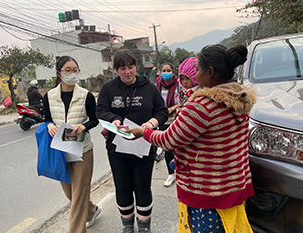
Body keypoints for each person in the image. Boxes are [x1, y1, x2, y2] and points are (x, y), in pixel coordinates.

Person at [127, 44, 256, 233]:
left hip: (208, 191)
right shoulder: (239, 98)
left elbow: (169, 140)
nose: (194, 75)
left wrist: (142, 132)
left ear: (210, 72)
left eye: (197, 69)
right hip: (233, 184)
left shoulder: (203, 105)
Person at [96, 49, 168, 233]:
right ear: (115, 70)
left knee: (143, 187)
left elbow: (162, 111)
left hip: (143, 147)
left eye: (130, 67)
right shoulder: (109, 89)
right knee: (123, 188)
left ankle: (144, 227)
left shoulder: (149, 88)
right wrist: (114, 120)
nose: (127, 71)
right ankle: (127, 226)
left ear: (136, 67)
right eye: (122, 68)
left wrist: (151, 123)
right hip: (117, 149)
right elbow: (100, 111)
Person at [42, 56, 100, 233]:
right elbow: (47, 119)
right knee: (70, 193)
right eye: (68, 70)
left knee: (78, 196)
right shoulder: (49, 96)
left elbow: (94, 120)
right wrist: (49, 125)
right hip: (60, 150)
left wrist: (84, 126)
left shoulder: (86, 95)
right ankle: (91, 211)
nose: (72, 73)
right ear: (59, 73)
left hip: (82, 150)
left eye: (75, 69)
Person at [155, 62, 179, 187]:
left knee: (179, 147)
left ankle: (181, 171)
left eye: (168, 70)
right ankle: (171, 174)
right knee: (167, 147)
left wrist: (172, 108)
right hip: (163, 120)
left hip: (177, 120)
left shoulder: (179, 85)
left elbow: (183, 101)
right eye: (163, 70)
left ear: (173, 72)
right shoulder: (157, 86)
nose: (166, 73)